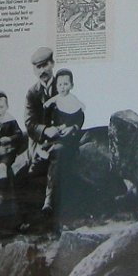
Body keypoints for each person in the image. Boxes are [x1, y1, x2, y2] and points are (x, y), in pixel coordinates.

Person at [40, 68, 86, 222]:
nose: (62, 87)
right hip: (55, 137)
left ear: (71, 85)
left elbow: (79, 119)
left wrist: (71, 128)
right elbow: (48, 121)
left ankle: (50, 199)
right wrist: (54, 128)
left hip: (68, 140)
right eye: (60, 84)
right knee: (49, 152)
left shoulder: (75, 103)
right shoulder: (53, 103)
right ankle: (48, 197)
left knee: (58, 154)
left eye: (66, 84)